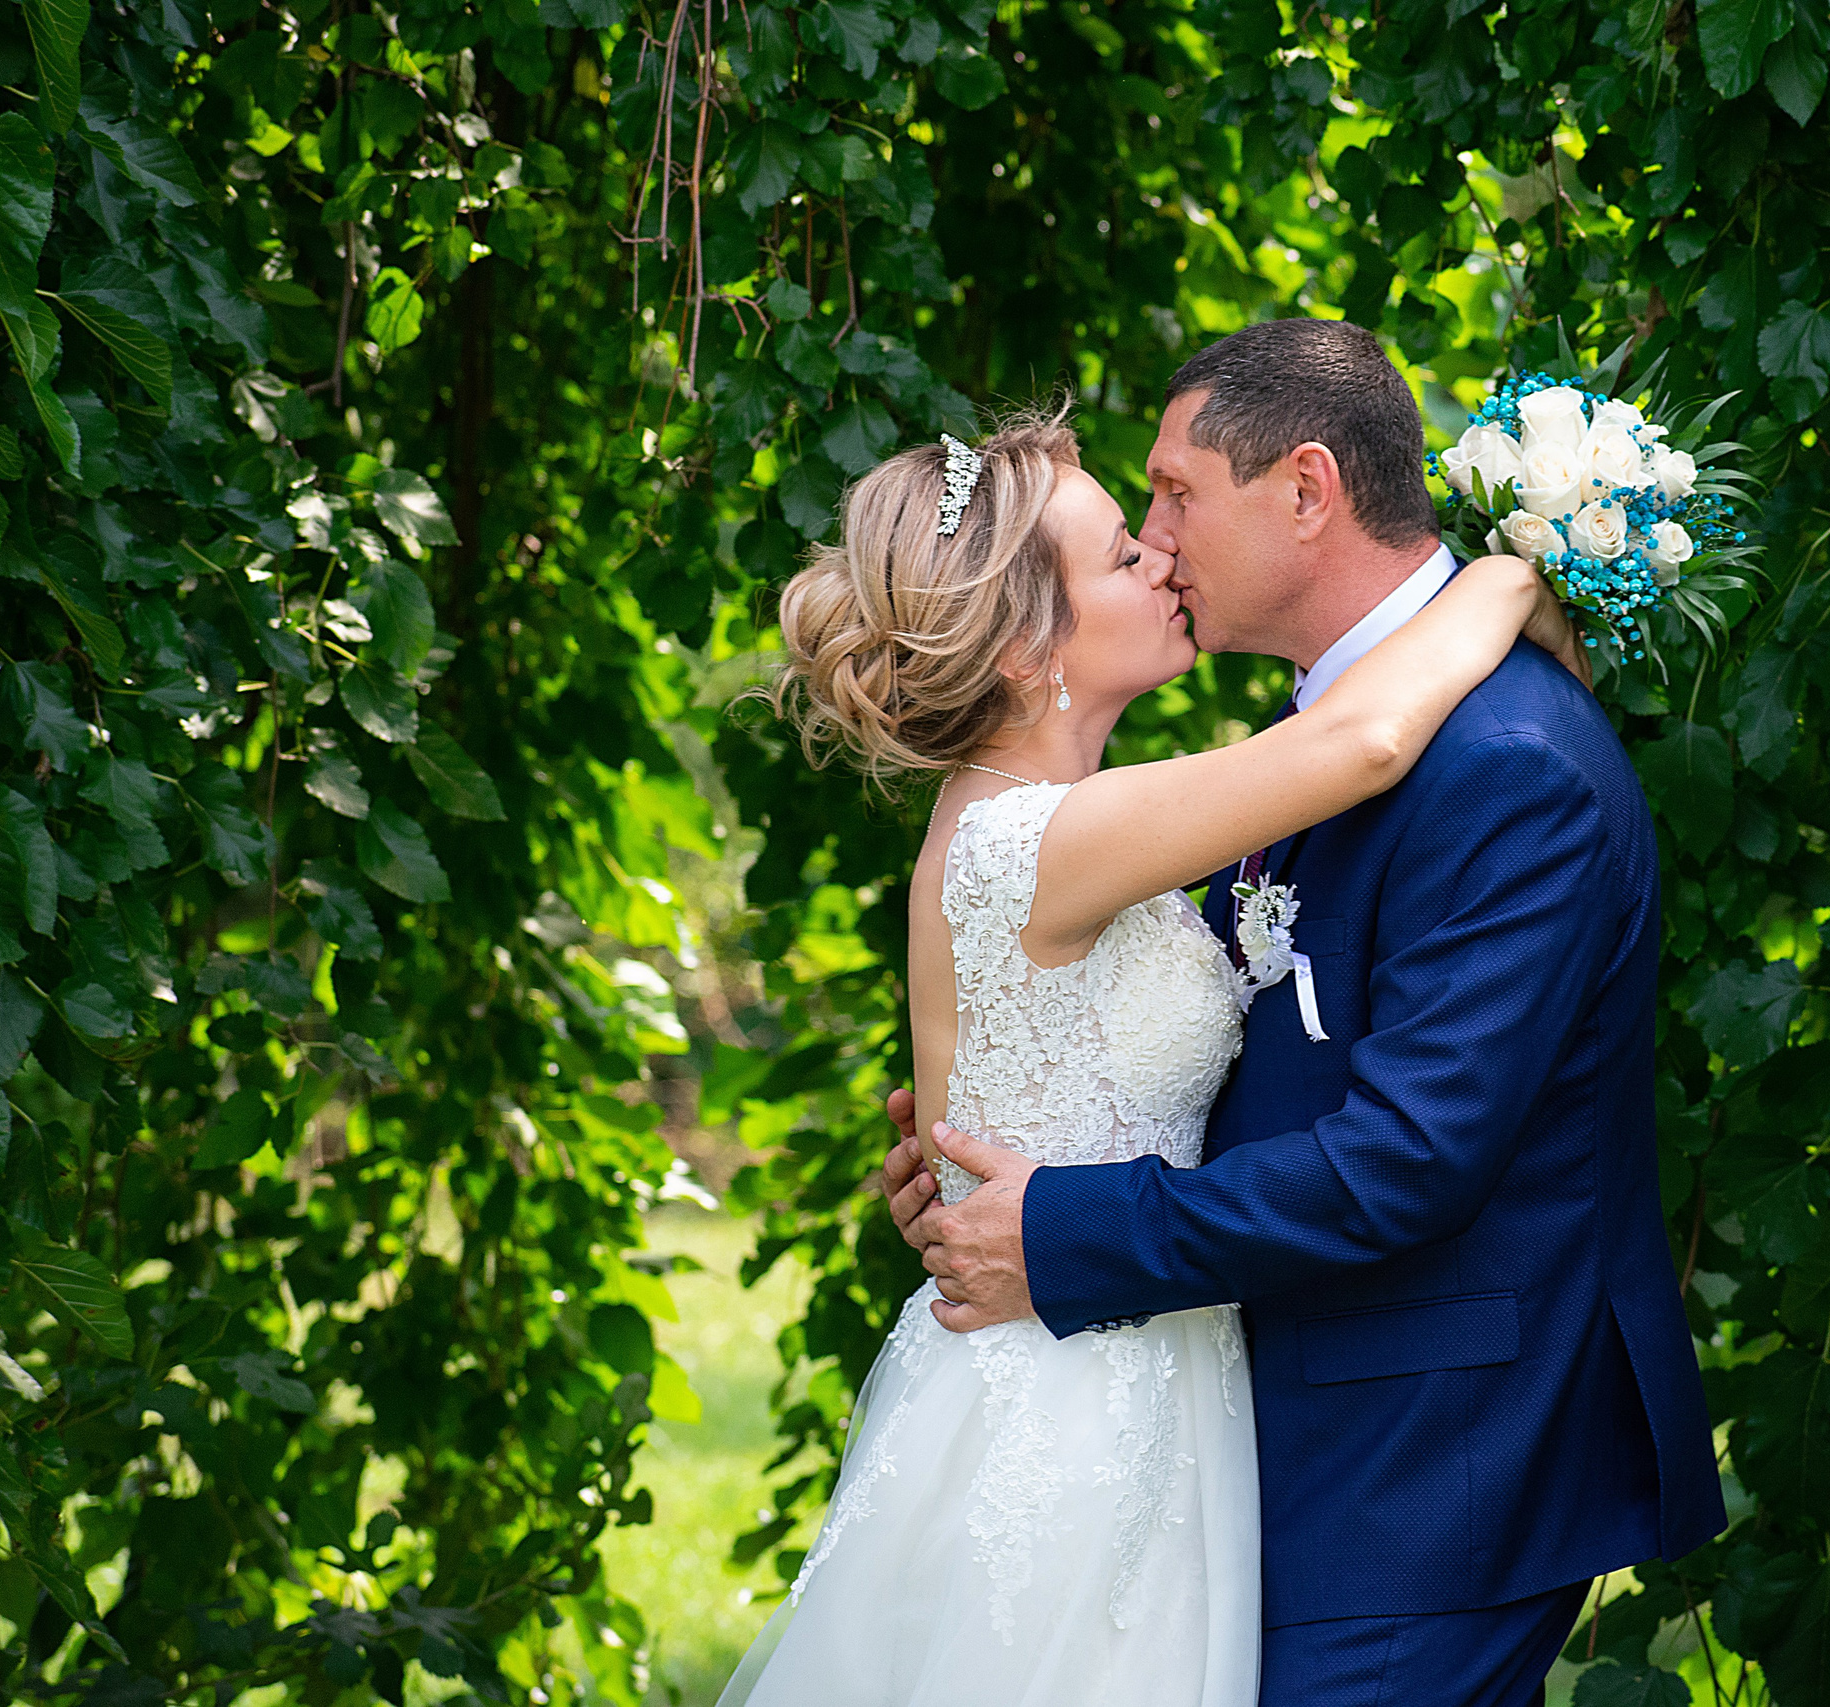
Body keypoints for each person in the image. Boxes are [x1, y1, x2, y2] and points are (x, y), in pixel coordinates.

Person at [878, 318, 1730, 1707]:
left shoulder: (1505, 762)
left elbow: (1411, 1158)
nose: (1155, 543)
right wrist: (986, 1171)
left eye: (1172, 495)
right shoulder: (1278, 760)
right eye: (1128, 526)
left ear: (1308, 491)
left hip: (1429, 1471)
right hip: (1217, 1434)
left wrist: (1051, 1222)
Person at [717, 396, 1576, 1707]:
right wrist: (1507, 578)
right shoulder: (1036, 842)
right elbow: (1363, 739)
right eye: (1121, 554)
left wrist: (948, 1185)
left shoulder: (1061, 822)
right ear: (1022, 647)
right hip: (1070, 1408)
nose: (1163, 560)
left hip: (1136, 1360)